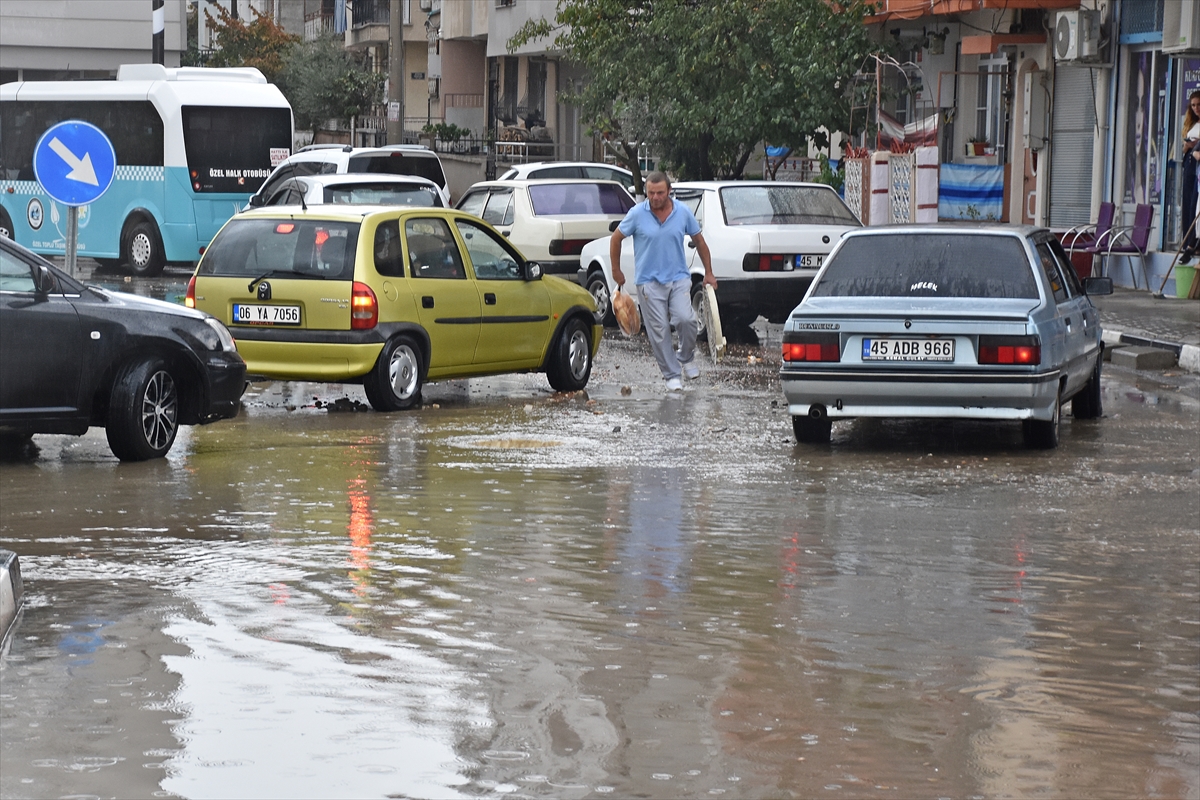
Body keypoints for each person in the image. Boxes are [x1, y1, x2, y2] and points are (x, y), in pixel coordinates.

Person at [610, 171, 716, 392]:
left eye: (660, 193)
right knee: (659, 331)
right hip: (648, 282)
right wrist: (616, 270)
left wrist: (709, 272)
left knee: (686, 320)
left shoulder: (683, 212)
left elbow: (700, 241)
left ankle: (685, 357)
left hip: (678, 277)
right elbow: (616, 238)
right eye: (651, 193)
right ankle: (672, 374)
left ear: (669, 191)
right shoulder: (637, 214)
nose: (655, 197)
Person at [1180, 90, 1200, 263]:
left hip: (1197, 165)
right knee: (1187, 203)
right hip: (1189, 163)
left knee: (1195, 204)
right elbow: (1185, 146)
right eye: (1193, 105)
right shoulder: (1192, 123)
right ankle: (1187, 241)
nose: (1196, 108)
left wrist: (1194, 147)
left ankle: (1193, 243)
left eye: (1199, 105)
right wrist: (1187, 147)